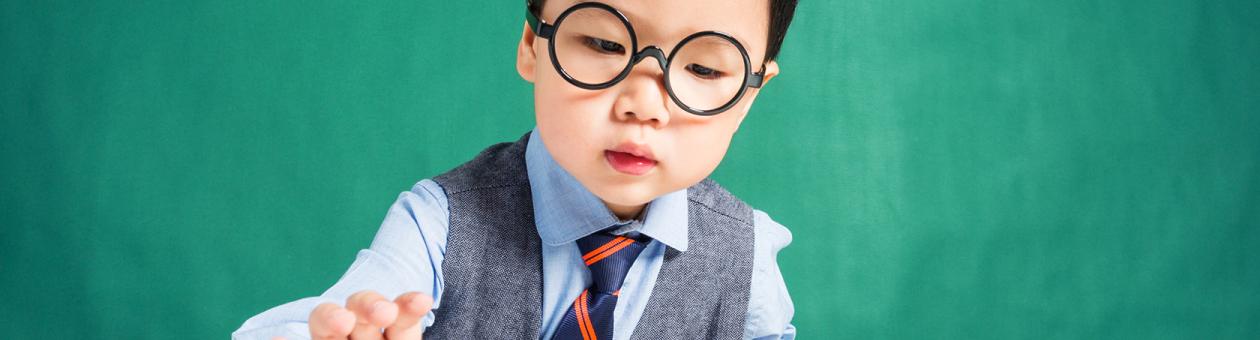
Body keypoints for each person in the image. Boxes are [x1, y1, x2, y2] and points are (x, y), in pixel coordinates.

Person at [234, 0, 800, 339]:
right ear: (533, 43)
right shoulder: (439, 223)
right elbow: (326, 315)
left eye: (703, 67)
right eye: (603, 42)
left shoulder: (748, 259)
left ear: (750, 94)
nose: (644, 105)